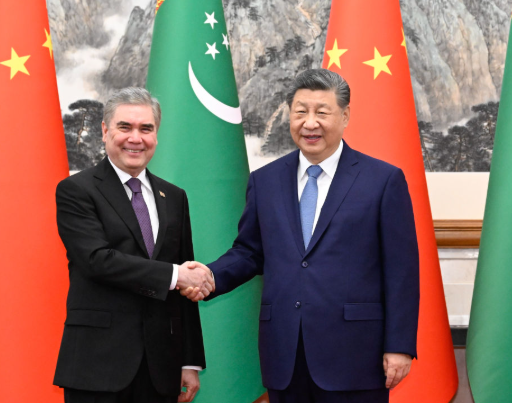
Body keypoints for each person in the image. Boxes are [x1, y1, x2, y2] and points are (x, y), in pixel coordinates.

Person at [183, 69, 419, 403]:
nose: (310, 123)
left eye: (322, 112)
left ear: (345, 116)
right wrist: (209, 275)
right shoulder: (265, 181)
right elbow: (249, 252)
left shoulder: (382, 180)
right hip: (285, 354)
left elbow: (402, 271)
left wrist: (399, 346)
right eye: (300, 112)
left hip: (355, 355)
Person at [53, 87, 214, 403]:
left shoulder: (174, 197)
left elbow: (184, 282)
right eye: (124, 127)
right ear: (105, 131)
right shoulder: (76, 190)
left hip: (161, 369)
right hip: (97, 366)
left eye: (146, 128)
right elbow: (96, 260)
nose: (135, 138)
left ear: (156, 135)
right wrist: (176, 275)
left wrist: (190, 360)